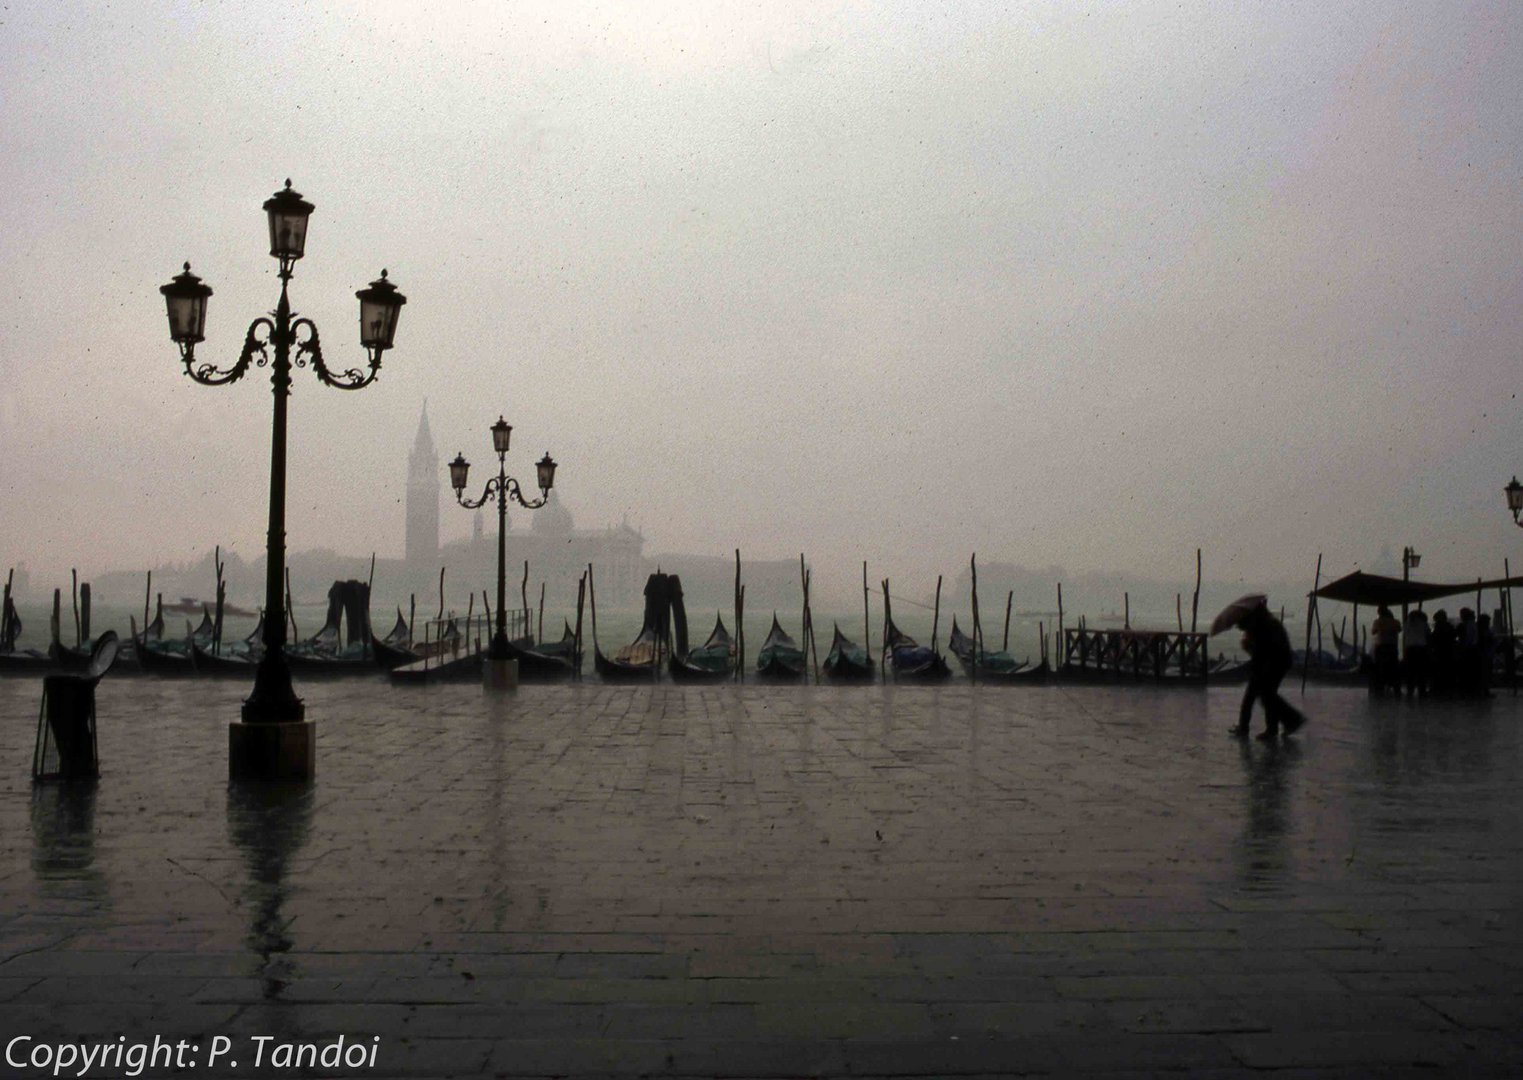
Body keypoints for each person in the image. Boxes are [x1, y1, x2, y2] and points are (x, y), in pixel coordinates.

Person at [1231, 601, 1307, 741]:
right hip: (1274, 663)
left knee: (1261, 696)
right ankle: (1282, 724)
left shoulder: (1264, 626)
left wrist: (1248, 646)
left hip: (1272, 664)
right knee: (1267, 696)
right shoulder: (1266, 623)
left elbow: (1263, 651)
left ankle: (1287, 722)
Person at [1370, 606, 1402, 695]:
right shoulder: (1395, 622)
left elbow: (1373, 632)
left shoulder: (1377, 622)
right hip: (1392, 646)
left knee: (1380, 668)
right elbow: (1399, 630)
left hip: (1381, 646)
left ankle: (1380, 687)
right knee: (1393, 667)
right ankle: (1395, 688)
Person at [1402, 609, 1429, 697]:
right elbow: (1427, 635)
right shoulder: (1424, 624)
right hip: (1421, 648)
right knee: (1421, 670)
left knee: (1410, 671)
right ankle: (1422, 690)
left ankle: (1410, 690)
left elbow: (1405, 635)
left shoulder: (1406, 625)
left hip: (1409, 648)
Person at [1429, 609, 1455, 695]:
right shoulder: (1449, 627)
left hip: (1440, 652)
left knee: (1438, 671)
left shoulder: (1439, 627)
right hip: (1448, 652)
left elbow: (1433, 639)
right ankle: (1446, 688)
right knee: (1446, 671)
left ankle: (1438, 688)